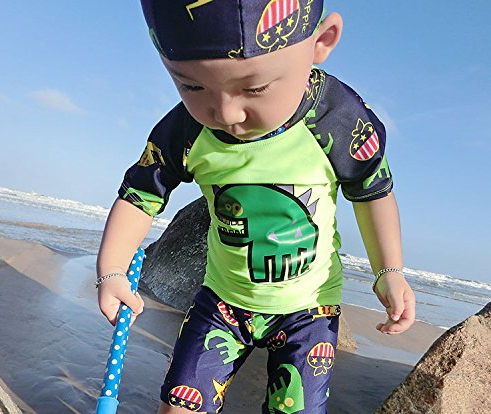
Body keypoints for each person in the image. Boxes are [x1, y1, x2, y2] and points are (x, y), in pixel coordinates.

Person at [96, 1, 416, 412]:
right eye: (192, 87)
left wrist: (389, 272)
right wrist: (112, 270)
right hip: (221, 302)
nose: (225, 112)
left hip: (309, 308)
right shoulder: (186, 130)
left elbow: (372, 191)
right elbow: (140, 196)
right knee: (179, 405)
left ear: (320, 43)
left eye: (254, 88)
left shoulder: (337, 119)